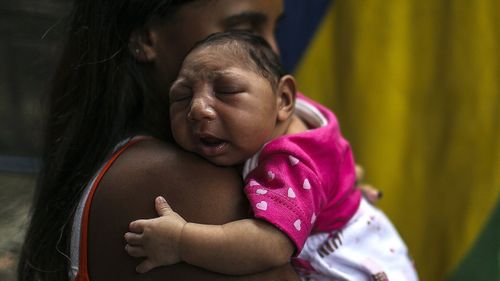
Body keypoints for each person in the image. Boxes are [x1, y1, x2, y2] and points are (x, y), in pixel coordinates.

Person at [17, 1, 378, 281]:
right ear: (144, 37)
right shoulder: (176, 180)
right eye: (241, 26)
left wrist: (329, 192)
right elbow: (270, 247)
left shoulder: (125, 158)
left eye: (273, 29)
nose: (271, 51)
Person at [124, 31, 418, 280]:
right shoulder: (293, 115)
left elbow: (271, 245)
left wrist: (181, 240)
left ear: (284, 99)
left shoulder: (289, 162)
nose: (197, 108)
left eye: (226, 90)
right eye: (181, 96)